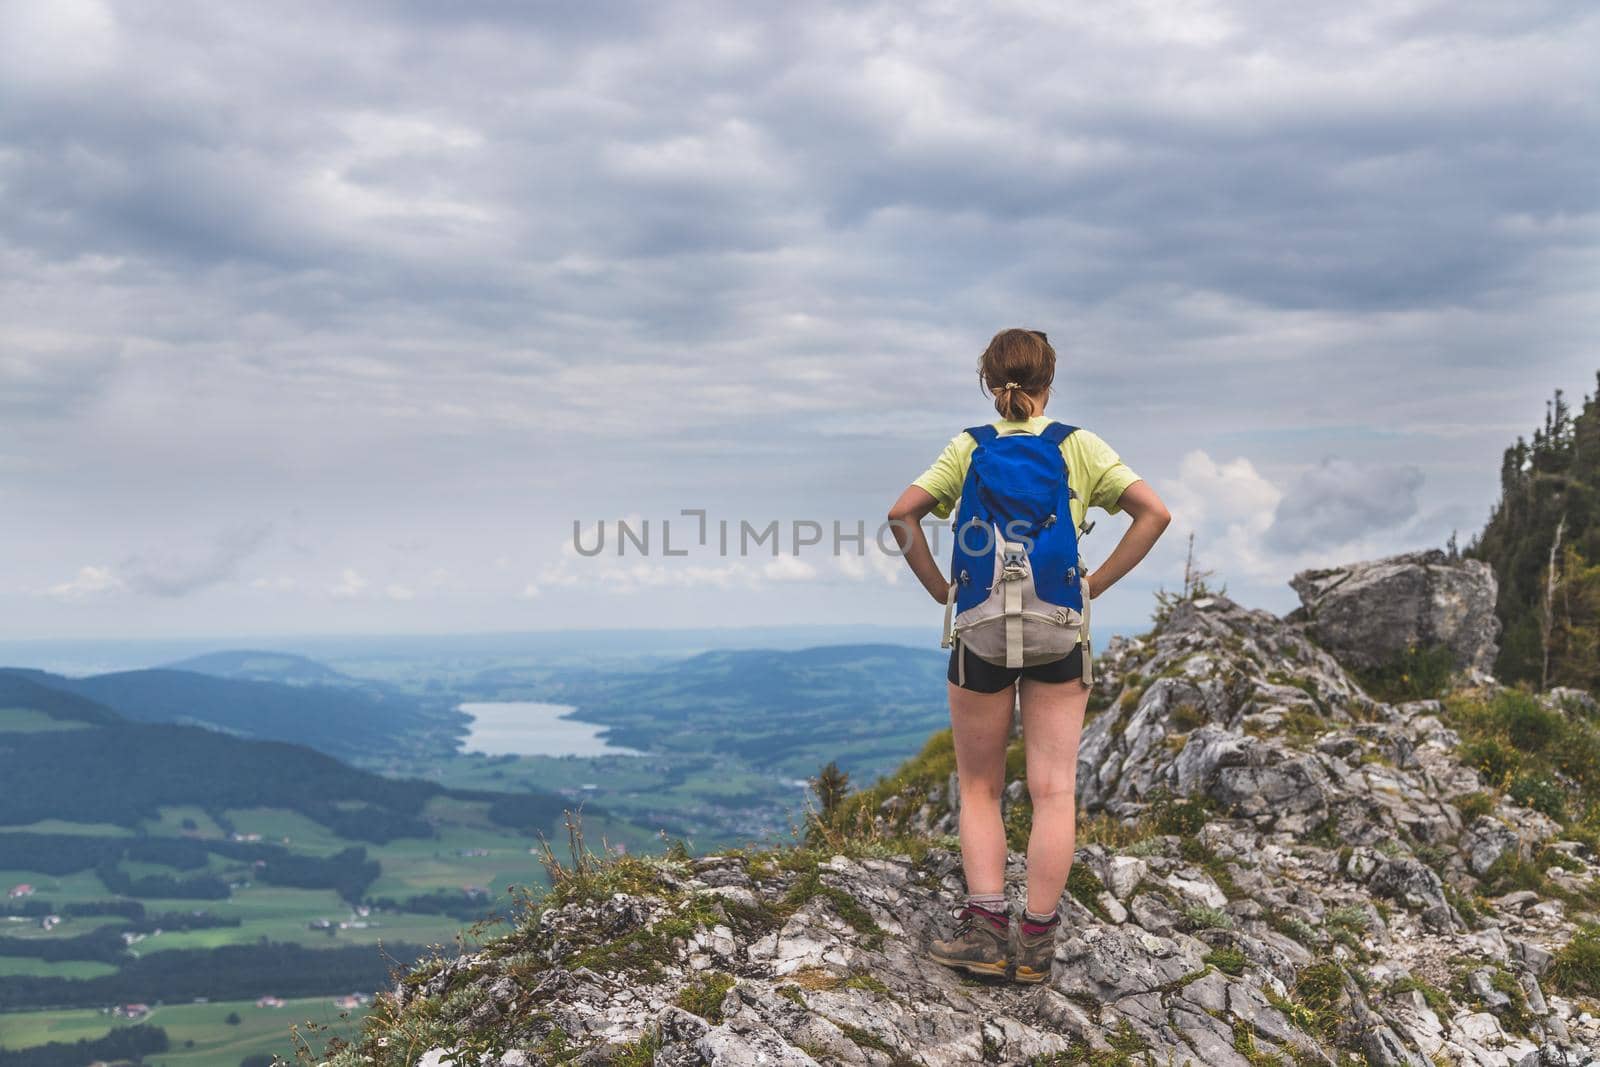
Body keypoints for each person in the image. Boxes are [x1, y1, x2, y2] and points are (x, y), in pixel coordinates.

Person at [886, 328, 1171, 983]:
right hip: (1058, 629)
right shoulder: (1078, 446)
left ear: (991, 384)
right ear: (1049, 383)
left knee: (981, 786)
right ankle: (1036, 943)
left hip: (981, 629)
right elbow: (1153, 513)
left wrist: (939, 589)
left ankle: (986, 929)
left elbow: (904, 514)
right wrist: (1094, 583)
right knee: (1054, 789)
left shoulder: (970, 446)